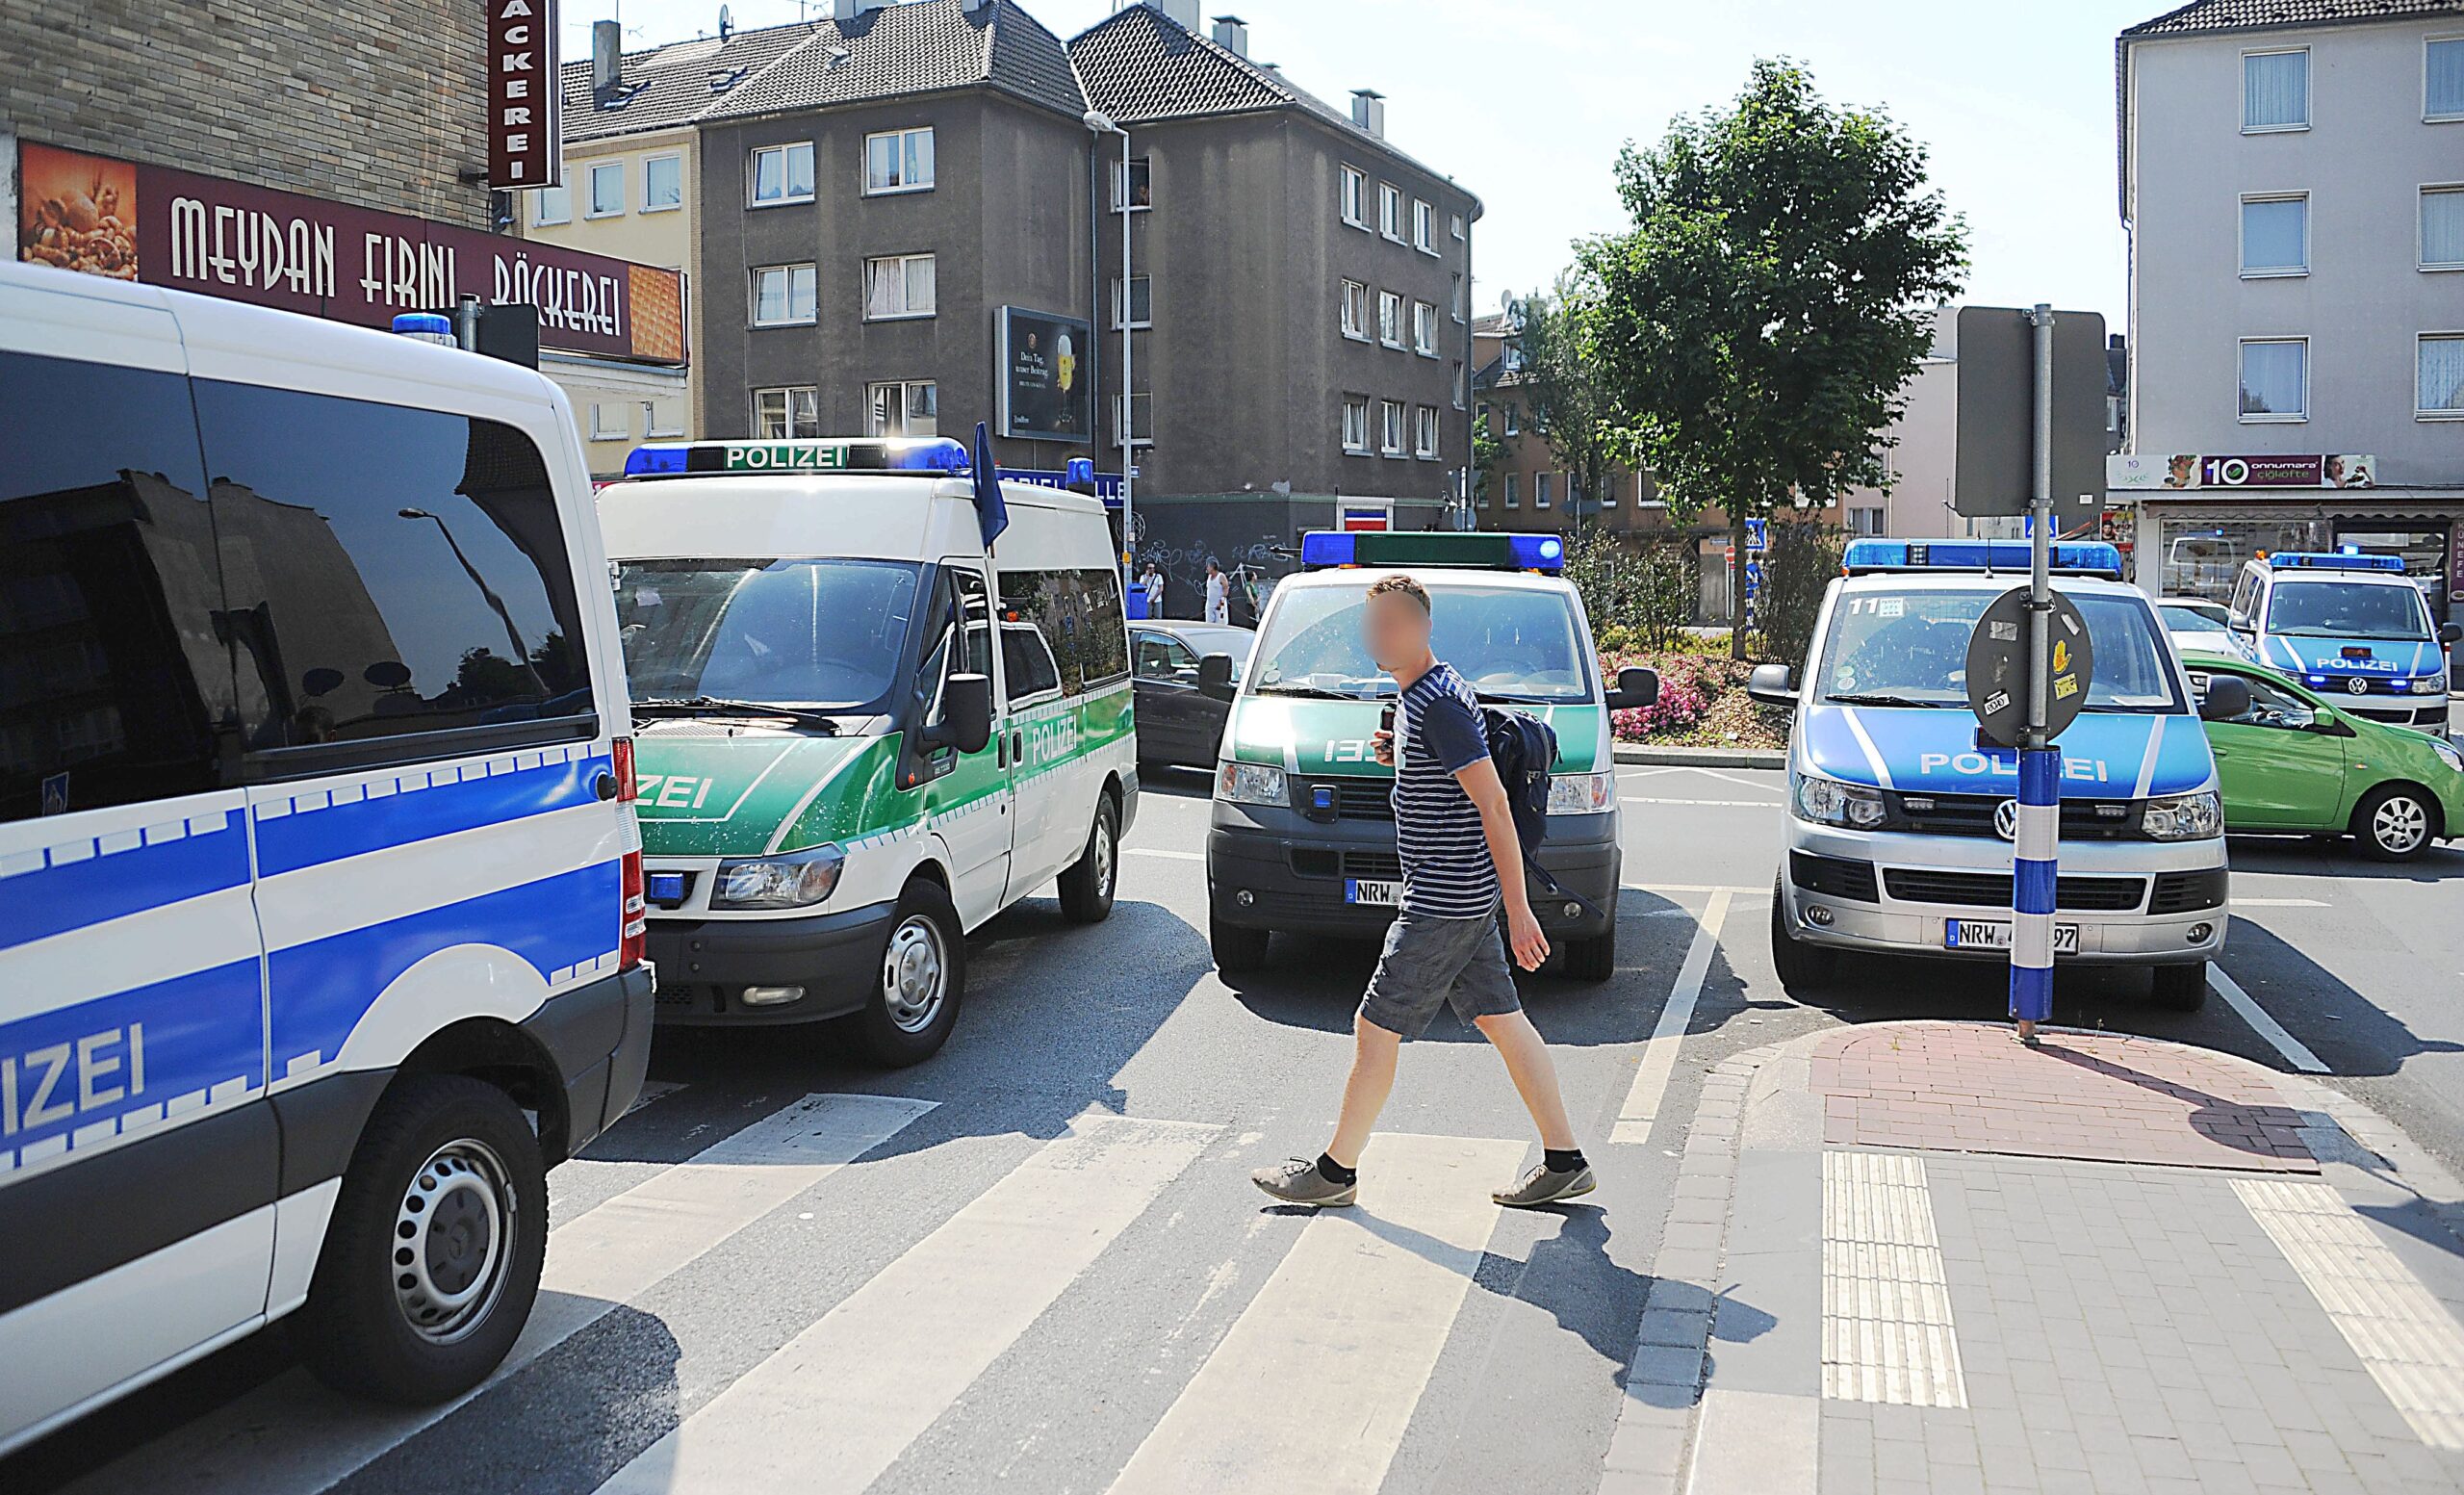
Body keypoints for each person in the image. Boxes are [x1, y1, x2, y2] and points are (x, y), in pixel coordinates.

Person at [1250, 572, 1593, 1210]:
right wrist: (1400, 753)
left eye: (1395, 624)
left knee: (1374, 1027)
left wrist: (1520, 910)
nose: (1381, 636)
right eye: (1374, 625)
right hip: (1461, 897)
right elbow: (1444, 766)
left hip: (1443, 901)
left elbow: (1492, 803)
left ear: (1423, 628)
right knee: (1503, 1021)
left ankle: (1335, 1171)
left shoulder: (1436, 703)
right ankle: (1565, 1158)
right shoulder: (1421, 697)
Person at [1204, 559, 1230, 625]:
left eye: (1208, 566)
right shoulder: (1209, 577)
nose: (1207, 568)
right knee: (1209, 624)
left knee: (1221, 623)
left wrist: (1221, 602)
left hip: (1219, 606)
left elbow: (1226, 589)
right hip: (1210, 606)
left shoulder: (1221, 576)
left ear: (1212, 567)